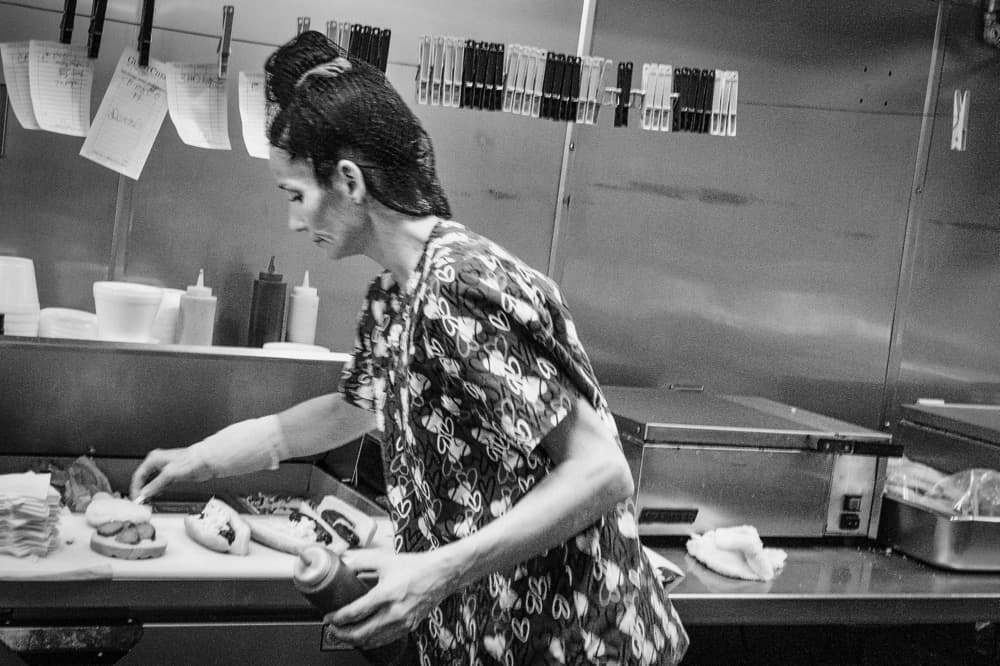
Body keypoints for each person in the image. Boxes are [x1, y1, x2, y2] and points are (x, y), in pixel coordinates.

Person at [130, 31, 688, 665]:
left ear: (348, 181)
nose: (292, 220)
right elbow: (348, 411)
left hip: (573, 644)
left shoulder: (458, 286)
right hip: (487, 637)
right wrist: (199, 461)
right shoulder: (396, 294)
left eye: (295, 196)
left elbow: (601, 470)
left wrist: (435, 573)